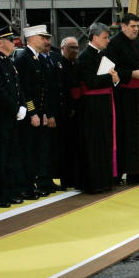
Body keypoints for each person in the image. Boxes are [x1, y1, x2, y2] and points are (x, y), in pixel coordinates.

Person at [107, 13, 139, 186]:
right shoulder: (114, 44)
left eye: (137, 26)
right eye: (133, 26)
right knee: (123, 133)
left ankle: (136, 171)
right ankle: (118, 172)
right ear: (124, 26)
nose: (136, 29)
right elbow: (111, 68)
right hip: (123, 95)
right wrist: (131, 74)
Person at [14, 25, 61, 196]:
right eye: (43, 37)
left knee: (37, 150)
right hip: (29, 115)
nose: (47, 41)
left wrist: (45, 112)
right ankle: (26, 185)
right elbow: (24, 91)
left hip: (39, 114)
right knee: (28, 150)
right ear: (32, 38)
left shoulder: (37, 59)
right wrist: (33, 112)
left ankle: (35, 182)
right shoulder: (24, 58)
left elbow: (44, 89)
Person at [75, 23, 122, 193]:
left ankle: (105, 180)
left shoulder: (104, 55)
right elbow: (91, 82)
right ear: (94, 37)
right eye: (105, 37)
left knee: (105, 142)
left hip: (104, 104)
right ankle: (93, 182)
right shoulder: (85, 57)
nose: (108, 41)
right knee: (94, 144)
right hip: (91, 107)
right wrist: (111, 79)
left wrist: (115, 79)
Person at [0, 26, 25, 206]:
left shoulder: (9, 61)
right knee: (0, 158)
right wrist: (15, 107)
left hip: (11, 117)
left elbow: (17, 87)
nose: (14, 42)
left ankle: (10, 191)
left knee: (11, 156)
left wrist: (23, 105)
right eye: (10, 40)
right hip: (0, 118)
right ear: (0, 43)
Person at [56, 35, 83, 190]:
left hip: (77, 111)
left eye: (76, 47)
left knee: (76, 147)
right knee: (64, 148)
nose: (74, 50)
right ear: (63, 48)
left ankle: (75, 177)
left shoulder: (77, 64)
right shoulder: (58, 65)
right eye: (71, 47)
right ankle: (66, 179)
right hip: (64, 112)